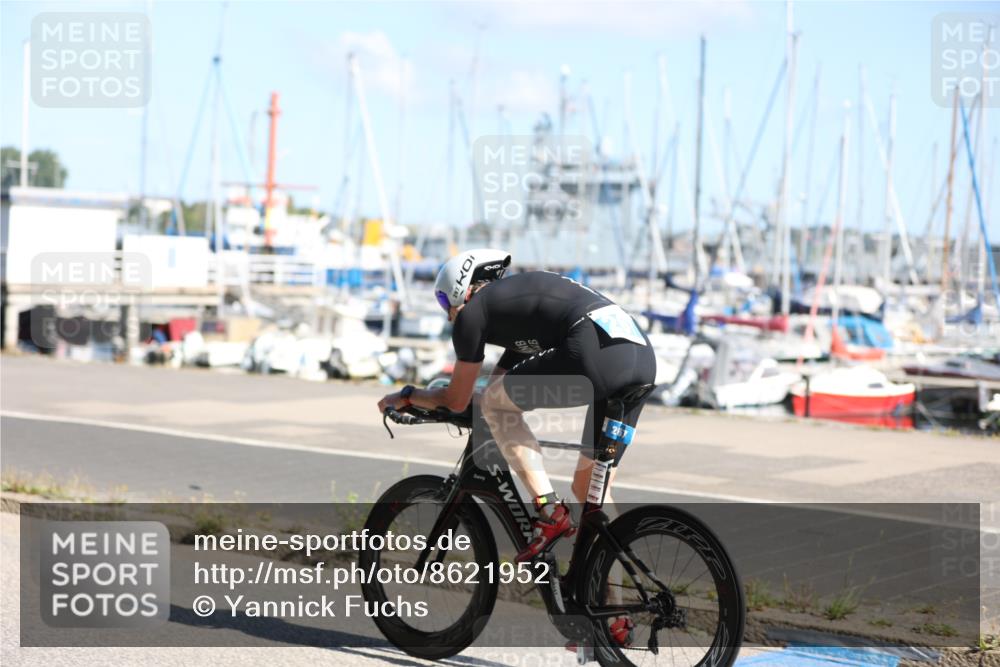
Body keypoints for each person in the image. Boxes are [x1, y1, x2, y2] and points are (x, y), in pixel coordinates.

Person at [377, 248, 656, 564]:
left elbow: (457, 400)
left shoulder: (471, 313)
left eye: (444, 302)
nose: (447, 312)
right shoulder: (520, 315)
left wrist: (410, 395)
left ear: (461, 289)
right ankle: (613, 606)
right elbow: (488, 391)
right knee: (590, 494)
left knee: (497, 407)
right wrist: (472, 405)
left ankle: (549, 511)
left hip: (595, 353)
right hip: (641, 359)